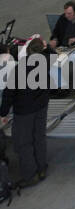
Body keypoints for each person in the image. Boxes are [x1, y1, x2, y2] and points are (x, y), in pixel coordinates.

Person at [1, 36, 52, 186]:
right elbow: (52, 54)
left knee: (23, 143)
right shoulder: (45, 63)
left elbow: (9, 93)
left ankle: (30, 175)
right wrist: (47, 46)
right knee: (39, 138)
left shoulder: (19, 70)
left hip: (24, 111)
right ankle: (42, 168)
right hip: (41, 107)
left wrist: (3, 113)